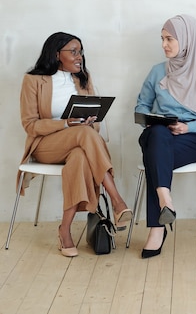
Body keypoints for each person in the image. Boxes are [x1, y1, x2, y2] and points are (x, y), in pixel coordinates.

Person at [19, 32, 132, 257]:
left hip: (80, 144)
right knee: (81, 134)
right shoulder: (33, 80)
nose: (79, 56)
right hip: (45, 146)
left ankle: (65, 230)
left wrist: (90, 123)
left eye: (80, 51)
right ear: (56, 54)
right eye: (74, 52)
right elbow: (30, 125)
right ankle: (117, 201)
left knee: (80, 156)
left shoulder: (83, 78)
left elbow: (96, 127)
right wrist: (65, 124)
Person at [135, 14, 196, 259]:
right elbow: (141, 106)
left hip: (192, 138)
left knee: (156, 158)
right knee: (158, 134)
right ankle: (166, 199)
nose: (164, 44)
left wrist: (187, 128)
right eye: (162, 39)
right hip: (157, 134)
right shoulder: (157, 72)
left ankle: (157, 227)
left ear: (187, 39)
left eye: (170, 39)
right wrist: (154, 119)